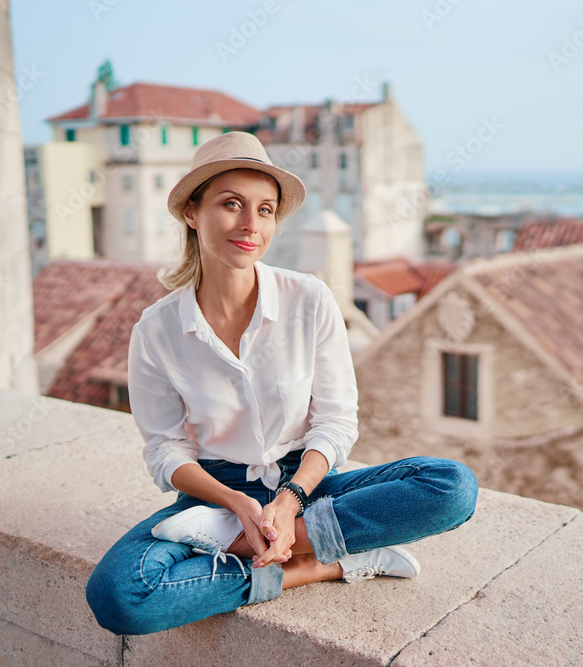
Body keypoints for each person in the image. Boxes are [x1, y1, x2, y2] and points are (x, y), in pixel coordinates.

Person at [85, 131, 479, 636]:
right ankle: (324, 562)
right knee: (119, 596)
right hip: (214, 498)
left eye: (266, 210)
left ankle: (255, 545)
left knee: (452, 487)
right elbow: (165, 450)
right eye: (231, 204)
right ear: (190, 211)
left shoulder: (309, 299)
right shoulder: (157, 330)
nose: (251, 224)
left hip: (307, 485)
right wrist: (238, 504)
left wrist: (288, 502)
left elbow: (336, 422)